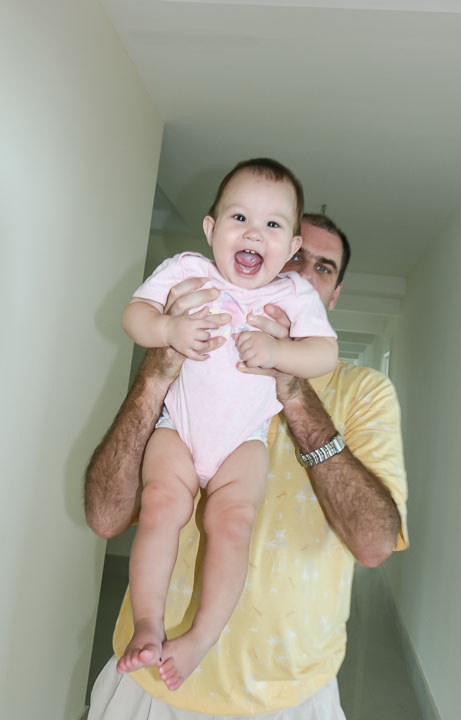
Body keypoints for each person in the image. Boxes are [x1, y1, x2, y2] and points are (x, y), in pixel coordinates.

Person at [85, 212, 408, 720]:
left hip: (287, 695)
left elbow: (374, 544)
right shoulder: (195, 349)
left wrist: (294, 392)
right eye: (293, 258)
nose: (301, 275)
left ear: (333, 297)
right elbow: (105, 516)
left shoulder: (365, 392)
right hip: (151, 678)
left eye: (323, 268)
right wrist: (156, 372)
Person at [116, 158, 338, 687]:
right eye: (239, 218)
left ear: (291, 248)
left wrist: (280, 352)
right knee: (161, 505)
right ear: (211, 228)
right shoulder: (187, 270)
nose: (254, 234)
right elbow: (134, 315)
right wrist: (167, 329)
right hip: (179, 426)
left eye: (272, 224)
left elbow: (324, 354)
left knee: (233, 525)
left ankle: (200, 637)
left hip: (243, 440)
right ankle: (147, 622)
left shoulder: (293, 295)